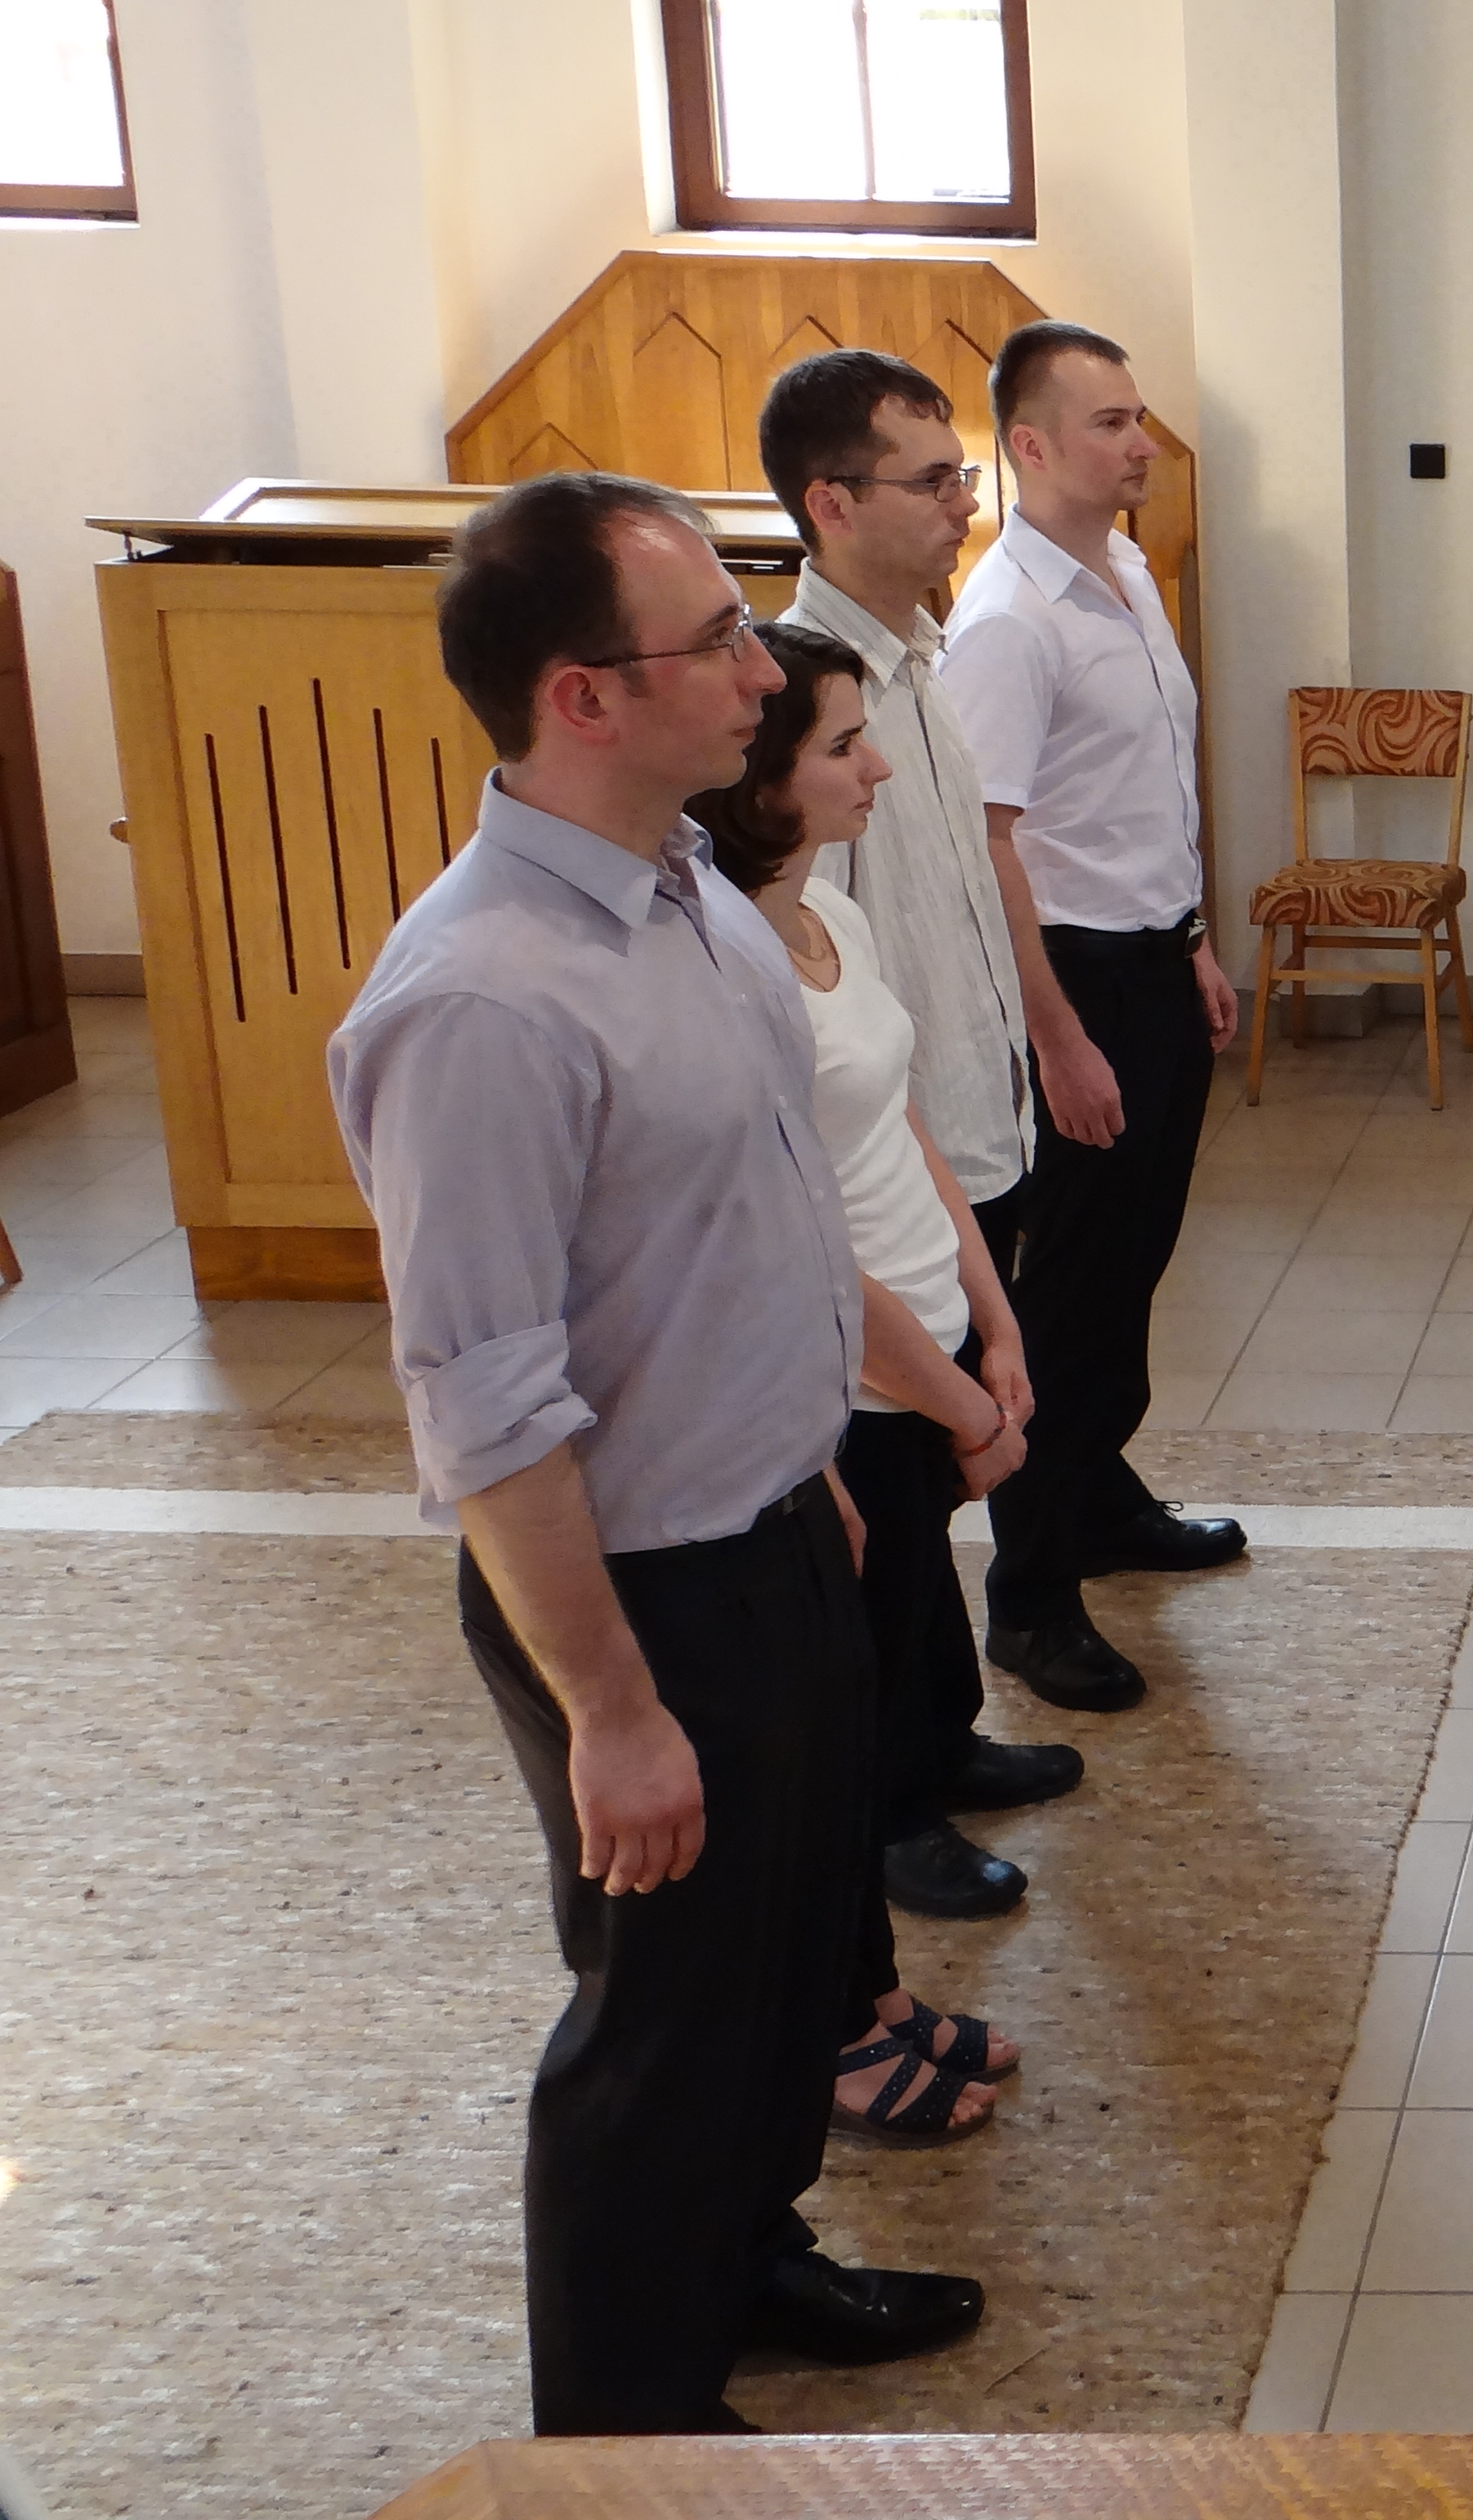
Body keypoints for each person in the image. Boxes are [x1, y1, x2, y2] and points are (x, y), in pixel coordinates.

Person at [326, 473, 982, 2433]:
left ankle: (749, 2265)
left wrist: (813, 1460)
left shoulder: (697, 894)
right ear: (582, 697)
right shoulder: (479, 1000)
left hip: (778, 1525)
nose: (764, 672)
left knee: (783, 1968)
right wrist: (610, 1708)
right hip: (637, 1597)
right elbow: (485, 1400)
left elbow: (763, 1219)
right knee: (663, 2022)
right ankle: (620, 2436)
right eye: (715, 642)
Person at [689, 622, 1038, 2143]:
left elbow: (898, 1131)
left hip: (928, 1342)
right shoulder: (723, 957)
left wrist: (993, 1319)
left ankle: (877, 1998)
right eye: (842, 744)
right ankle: (837, 2028)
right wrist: (956, 1402)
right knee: (841, 1727)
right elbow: (806, 1240)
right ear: (758, 779)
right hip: (850, 1383)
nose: (878, 765)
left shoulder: (828, 912)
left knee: (888, 1670)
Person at [763, 347, 1083, 1909]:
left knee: (929, 1488)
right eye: (937, 477)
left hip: (955, 1124)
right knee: (888, 1502)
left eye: (966, 473)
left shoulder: (922, 656)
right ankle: (888, 1806)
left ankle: (942, 1738)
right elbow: (806, 999)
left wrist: (1037, 1046)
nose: (967, 502)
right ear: (831, 502)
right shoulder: (796, 709)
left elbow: (959, 896)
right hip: (873, 1160)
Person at [938, 321, 1247, 1714]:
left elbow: (1146, 794)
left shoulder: (1125, 572)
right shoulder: (1010, 620)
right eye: (1110, 422)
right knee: (1064, 1293)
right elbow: (988, 842)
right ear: (1030, 445)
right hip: (1071, 980)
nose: (1140, 443)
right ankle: (1031, 1594)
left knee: (1133, 1260)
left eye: (1139, 417)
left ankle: (1103, 1497)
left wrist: (1195, 942)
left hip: (1150, 961)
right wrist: (1057, 1039)